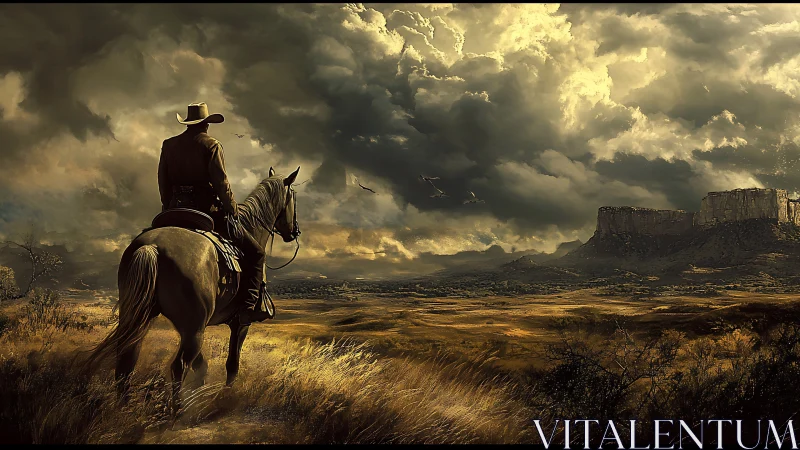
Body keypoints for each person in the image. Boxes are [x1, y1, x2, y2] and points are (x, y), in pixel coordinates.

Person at [157, 102, 270, 324]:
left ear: (188, 123)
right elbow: (221, 183)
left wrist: (168, 206)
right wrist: (232, 208)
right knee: (256, 253)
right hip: (206, 212)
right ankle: (248, 305)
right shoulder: (211, 145)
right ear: (206, 124)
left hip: (174, 209)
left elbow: (163, 180)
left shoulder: (168, 145)